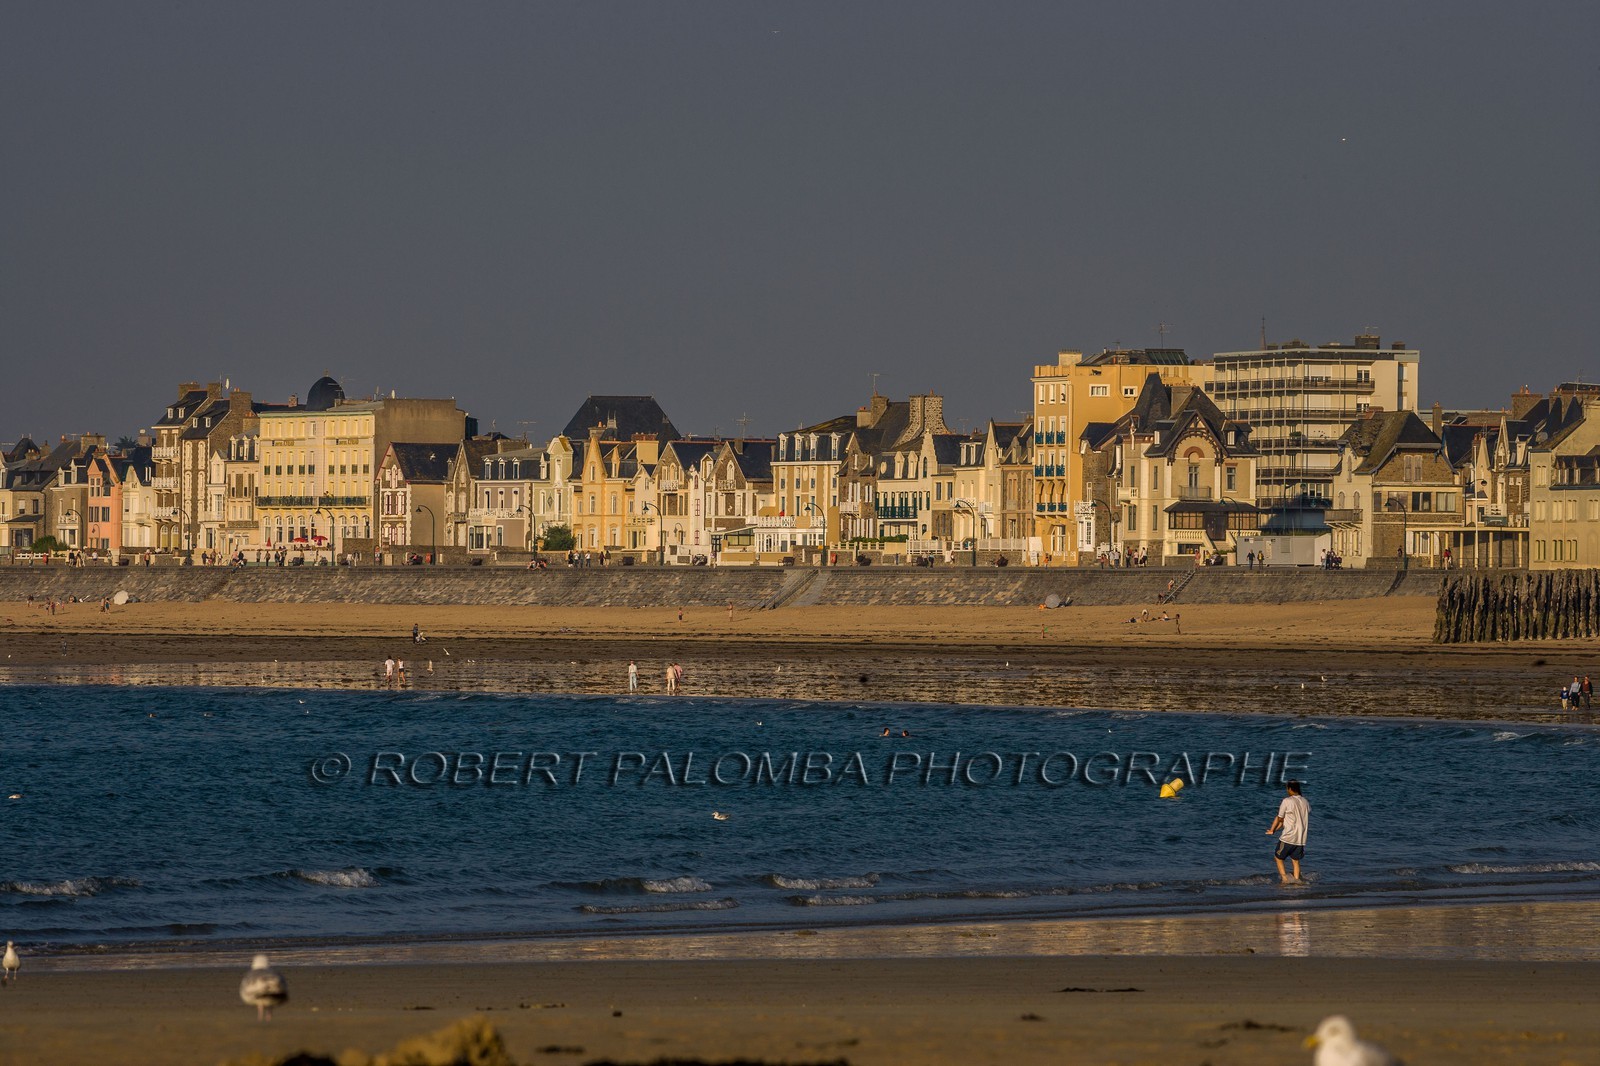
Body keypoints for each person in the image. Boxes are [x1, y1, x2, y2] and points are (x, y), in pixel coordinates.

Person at [1267, 780, 1310, 884]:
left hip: (1288, 836)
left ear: (1290, 789)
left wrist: (1273, 830)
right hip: (1300, 838)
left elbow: (1280, 817)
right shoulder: (1305, 801)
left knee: (1278, 857)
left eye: (1287, 788)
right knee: (1295, 861)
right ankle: (1296, 881)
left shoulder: (1287, 801)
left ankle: (1285, 879)